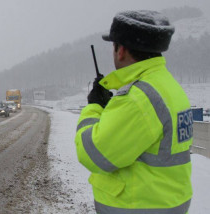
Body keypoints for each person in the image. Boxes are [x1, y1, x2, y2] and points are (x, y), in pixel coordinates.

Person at [75, 10, 193, 214]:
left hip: (139, 206)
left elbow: (94, 154)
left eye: (114, 47)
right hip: (167, 203)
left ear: (120, 50)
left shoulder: (139, 99)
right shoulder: (166, 85)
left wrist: (94, 106)